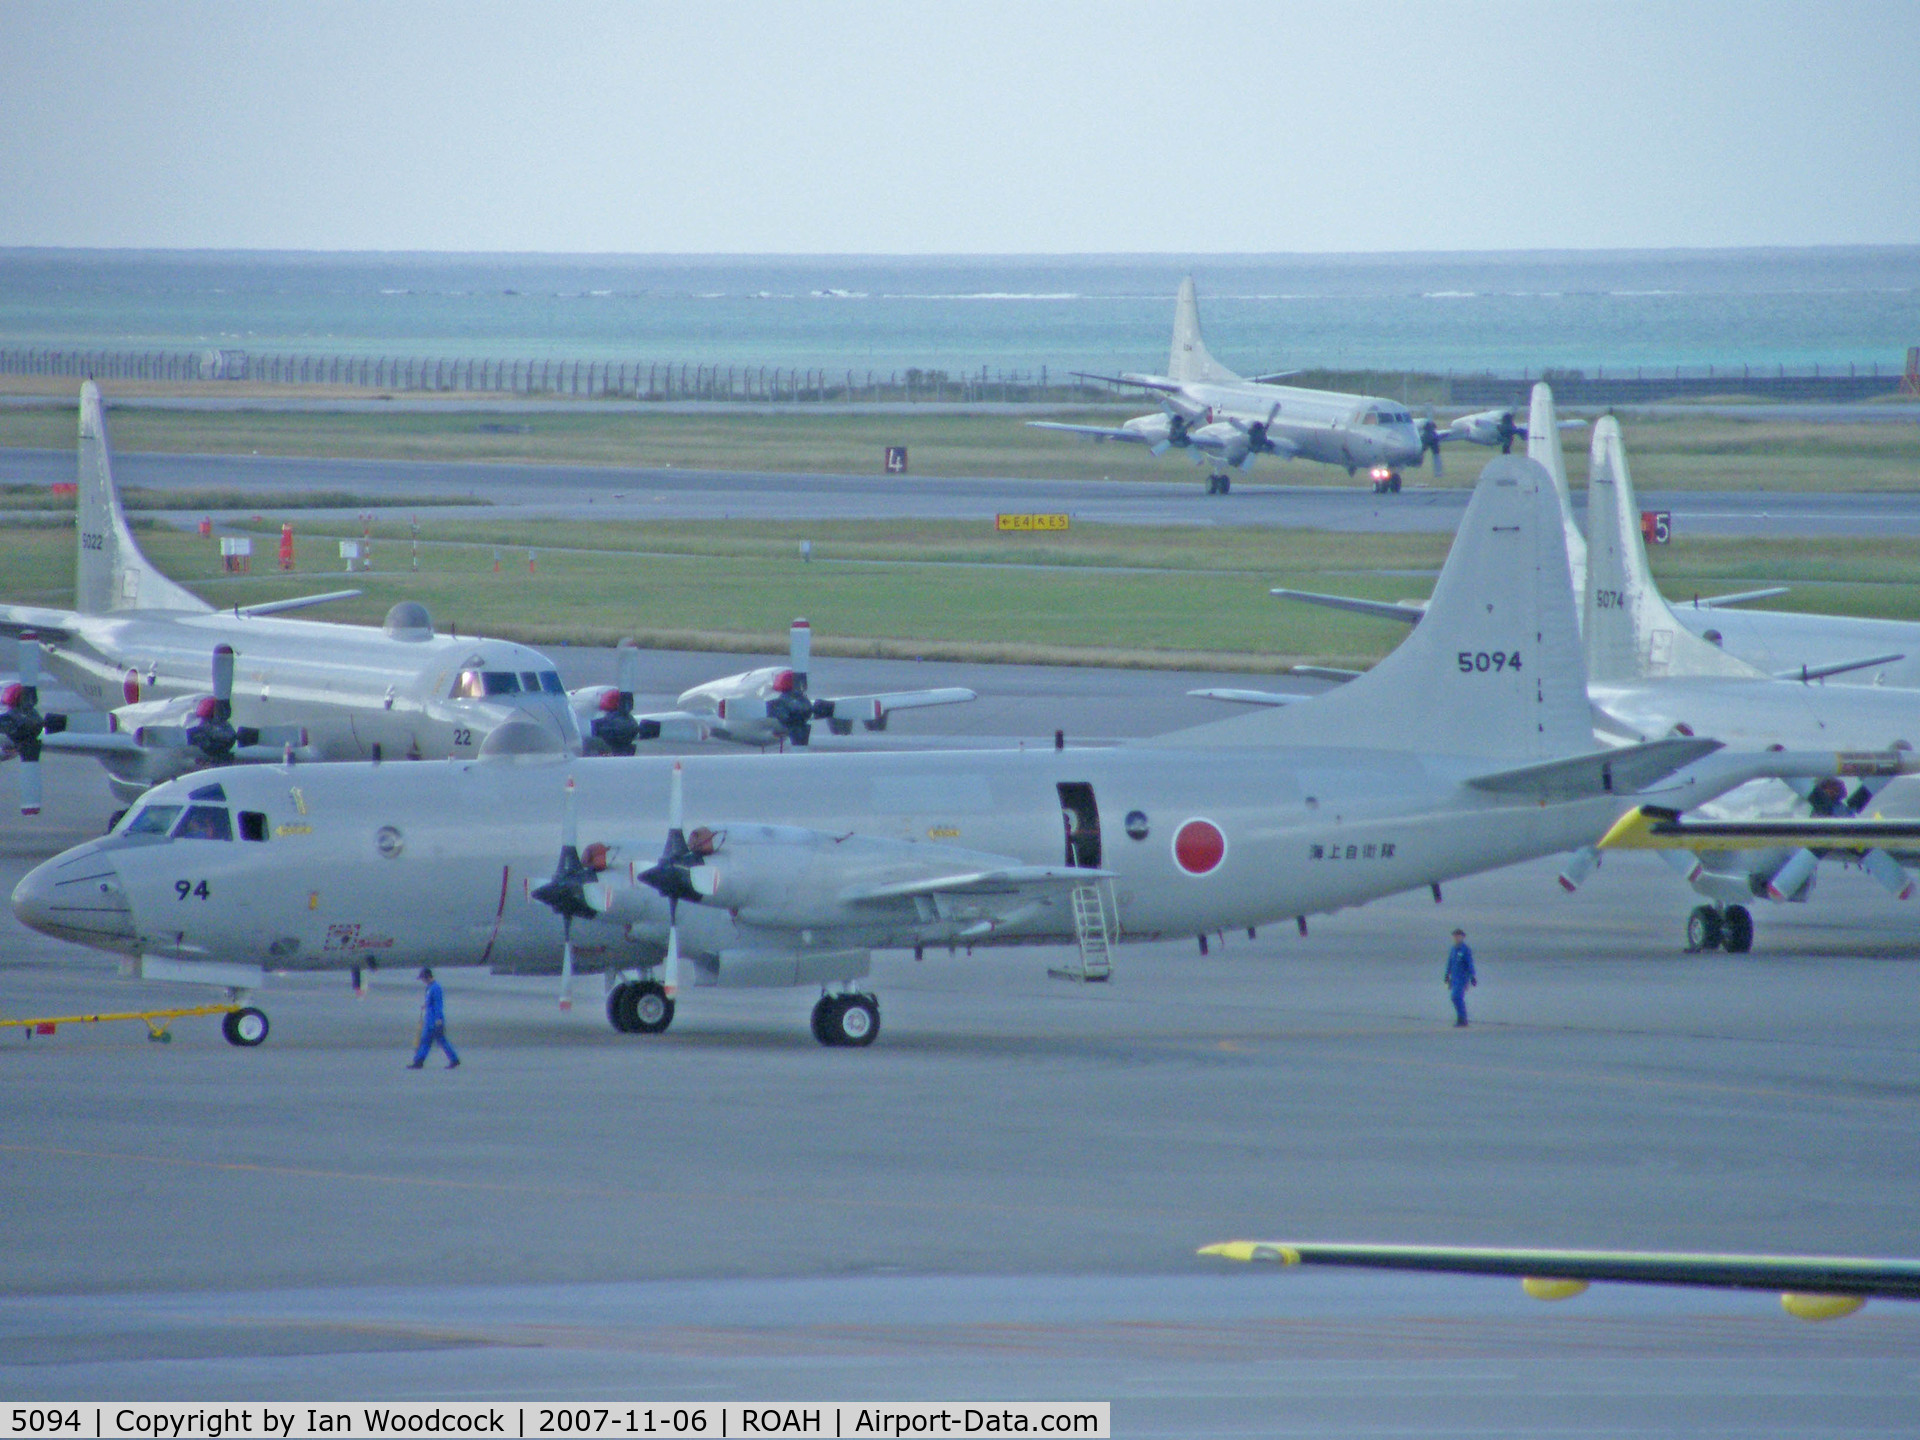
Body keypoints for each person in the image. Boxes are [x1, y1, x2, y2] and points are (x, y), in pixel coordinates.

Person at [408, 966, 460, 1069]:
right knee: (432, 1041)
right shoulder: (430, 987)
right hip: (430, 1020)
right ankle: (420, 1061)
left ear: (427, 977)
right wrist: (425, 1005)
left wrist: (438, 1019)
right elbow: (431, 1002)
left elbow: (438, 1005)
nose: (422, 981)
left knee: (433, 1041)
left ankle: (419, 1061)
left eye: (422, 978)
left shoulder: (435, 988)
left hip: (434, 1021)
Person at [1444, 929, 1477, 1027]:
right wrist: (1446, 975)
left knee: (1456, 997)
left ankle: (1463, 1019)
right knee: (1455, 998)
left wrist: (1472, 977)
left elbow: (1469, 963)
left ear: (1463, 937)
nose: (1456, 938)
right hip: (1454, 978)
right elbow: (1450, 963)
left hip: (1462, 978)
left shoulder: (1465, 949)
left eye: (1458, 936)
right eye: (1455, 936)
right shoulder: (1453, 949)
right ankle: (1460, 1018)